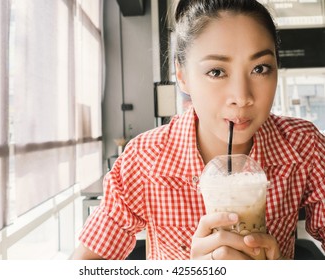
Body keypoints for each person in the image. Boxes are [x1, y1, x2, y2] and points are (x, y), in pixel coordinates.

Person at [72, 0, 325, 260]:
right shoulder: (144, 159)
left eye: (259, 69)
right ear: (182, 76)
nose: (241, 97)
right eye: (216, 72)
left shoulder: (304, 147)